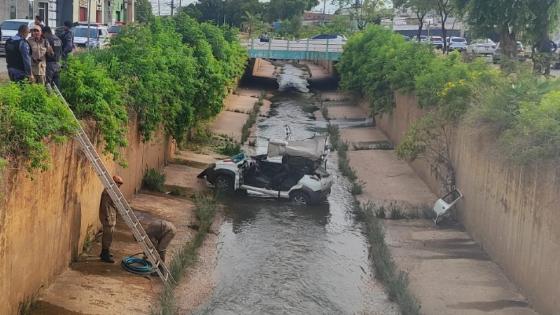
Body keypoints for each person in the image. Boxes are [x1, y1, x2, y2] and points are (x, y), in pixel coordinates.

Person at [99, 175, 124, 263]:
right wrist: (108, 218)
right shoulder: (108, 192)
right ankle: (105, 254)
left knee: (109, 235)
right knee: (107, 236)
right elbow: (105, 206)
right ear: (113, 182)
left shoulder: (112, 191)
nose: (120, 185)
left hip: (111, 217)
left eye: (121, 184)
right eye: (118, 183)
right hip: (108, 217)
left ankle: (105, 252)